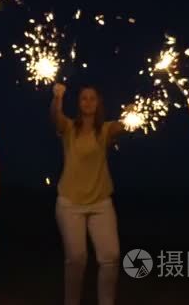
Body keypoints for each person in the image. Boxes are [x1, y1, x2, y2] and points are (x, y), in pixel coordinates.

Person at [50, 82, 125, 305]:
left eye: (93, 98)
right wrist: (57, 98)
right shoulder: (69, 128)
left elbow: (121, 127)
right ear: (79, 103)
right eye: (84, 98)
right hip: (70, 202)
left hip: (101, 202)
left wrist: (132, 115)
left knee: (110, 257)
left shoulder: (105, 129)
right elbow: (55, 117)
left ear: (98, 102)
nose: (89, 102)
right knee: (76, 258)